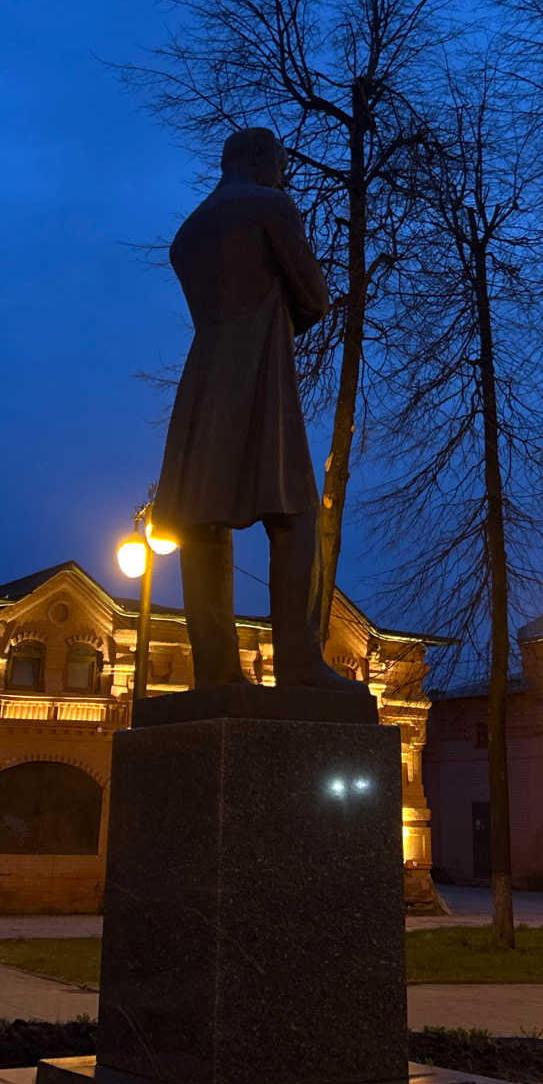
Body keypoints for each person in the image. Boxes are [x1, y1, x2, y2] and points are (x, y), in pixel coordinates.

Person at [151, 127, 358, 691]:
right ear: (260, 156)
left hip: (203, 376)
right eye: (281, 163)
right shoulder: (270, 206)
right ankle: (299, 661)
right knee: (295, 511)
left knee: (202, 518)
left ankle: (216, 671)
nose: (283, 175)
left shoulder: (188, 233)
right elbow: (314, 297)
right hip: (260, 366)